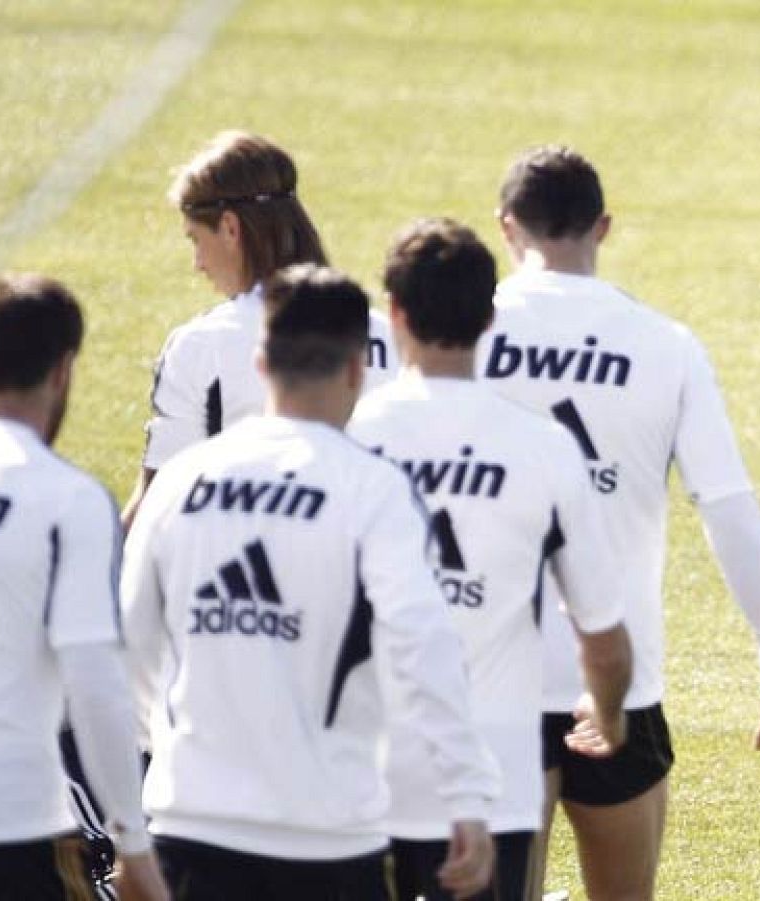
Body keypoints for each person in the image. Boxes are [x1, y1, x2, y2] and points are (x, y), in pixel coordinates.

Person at [478, 145, 760, 900]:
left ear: (506, 226)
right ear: (602, 226)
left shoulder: (457, 336)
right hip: (618, 679)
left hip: (489, 681)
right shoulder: (665, 346)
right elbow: (727, 507)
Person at [121, 264, 499, 900]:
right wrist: (463, 796)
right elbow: (425, 649)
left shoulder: (183, 481)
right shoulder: (374, 490)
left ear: (261, 362)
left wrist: (161, 760)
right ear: (357, 369)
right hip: (327, 836)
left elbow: (130, 645)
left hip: (188, 827)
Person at [348, 218, 633, 901]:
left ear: (395, 312)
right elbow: (602, 635)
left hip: (360, 779)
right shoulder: (545, 448)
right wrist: (612, 712)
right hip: (491, 783)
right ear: (489, 317)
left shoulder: (348, 440)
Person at [0, 274, 168, 900]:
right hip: (4, 825)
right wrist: (132, 842)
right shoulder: (68, 500)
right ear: (63, 370)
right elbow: (95, 681)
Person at [123, 130, 396, 528]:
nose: (198, 263)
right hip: (367, 551)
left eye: (195, 239)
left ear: (230, 228)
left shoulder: (201, 345)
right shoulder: (389, 335)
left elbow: (155, 504)